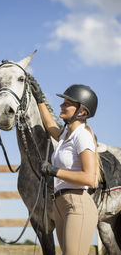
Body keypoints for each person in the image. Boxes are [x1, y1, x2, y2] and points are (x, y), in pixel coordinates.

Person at [30, 80, 102, 255]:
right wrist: (40, 99)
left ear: (82, 111)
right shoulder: (66, 136)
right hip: (60, 205)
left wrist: (55, 171)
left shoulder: (82, 136)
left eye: (67, 103)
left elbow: (89, 178)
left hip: (77, 205)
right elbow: (50, 126)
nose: (61, 105)